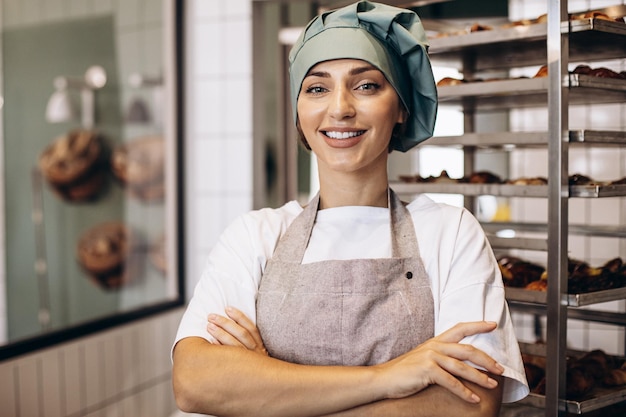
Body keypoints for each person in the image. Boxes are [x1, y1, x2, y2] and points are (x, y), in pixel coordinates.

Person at [172, 1, 529, 416]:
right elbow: (194, 381)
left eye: (366, 86)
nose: (339, 107)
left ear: (400, 108)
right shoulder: (253, 237)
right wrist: (390, 377)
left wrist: (268, 387)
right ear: (298, 113)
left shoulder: (451, 233)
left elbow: (471, 404)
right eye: (317, 88)